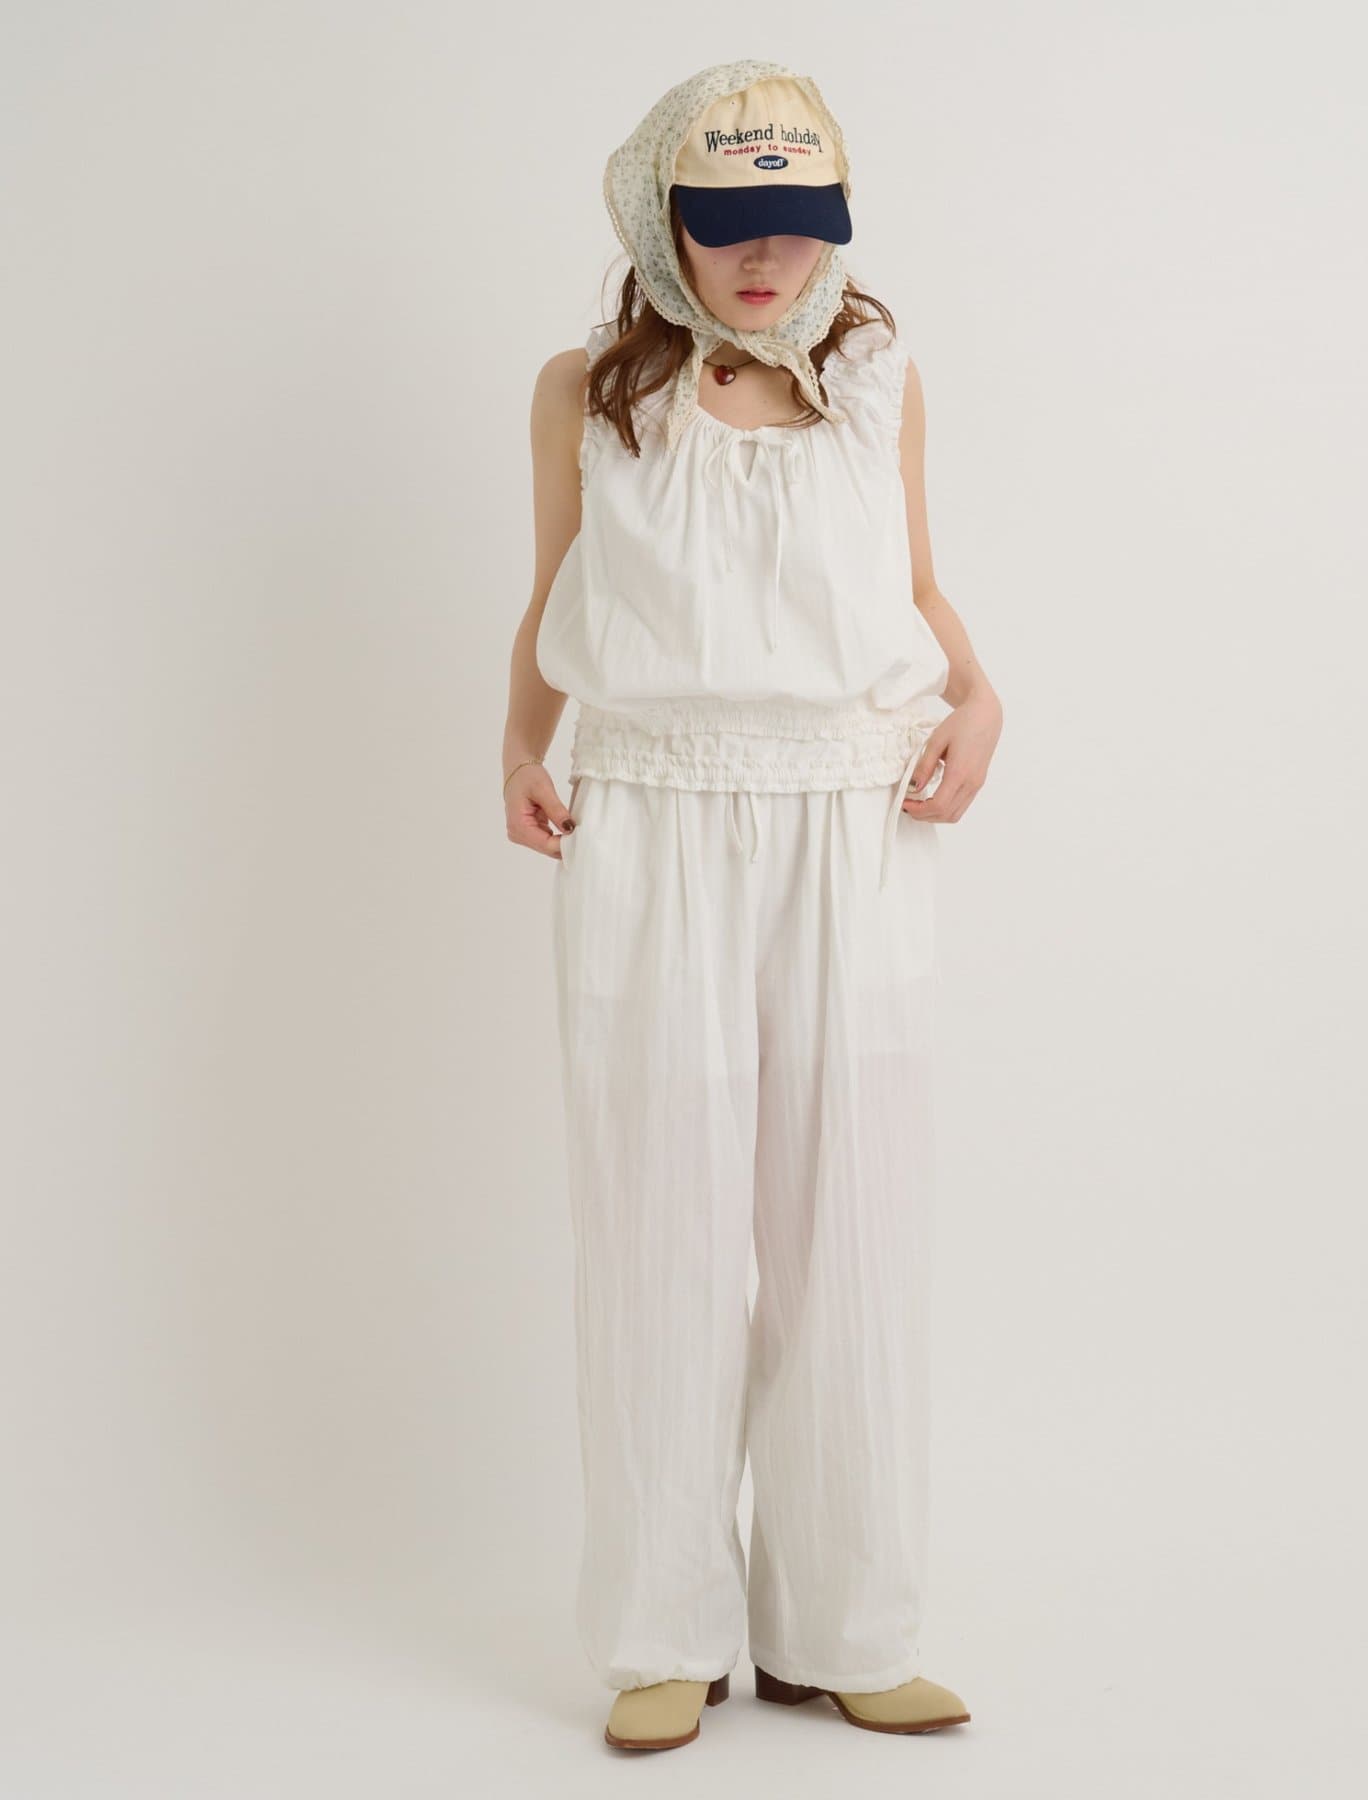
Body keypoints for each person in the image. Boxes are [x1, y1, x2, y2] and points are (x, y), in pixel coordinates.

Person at [503, 59, 1003, 1752]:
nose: (771, 256)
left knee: (851, 1226)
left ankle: (843, 1626)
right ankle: (663, 1630)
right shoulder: (587, 395)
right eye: (732, 224)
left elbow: (915, 587)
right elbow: (553, 589)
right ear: (665, 218)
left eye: (800, 221)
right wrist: (519, 747)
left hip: (854, 823)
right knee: (659, 1224)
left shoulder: (876, 383)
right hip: (651, 817)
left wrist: (982, 697)